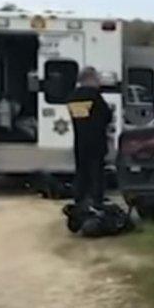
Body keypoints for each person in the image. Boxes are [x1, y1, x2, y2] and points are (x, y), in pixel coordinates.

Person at [67, 66, 113, 205]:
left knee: (81, 171)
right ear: (90, 79)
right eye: (97, 78)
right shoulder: (95, 96)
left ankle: (79, 198)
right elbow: (107, 116)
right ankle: (96, 200)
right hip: (96, 141)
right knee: (96, 173)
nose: (99, 81)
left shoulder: (72, 97)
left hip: (80, 141)